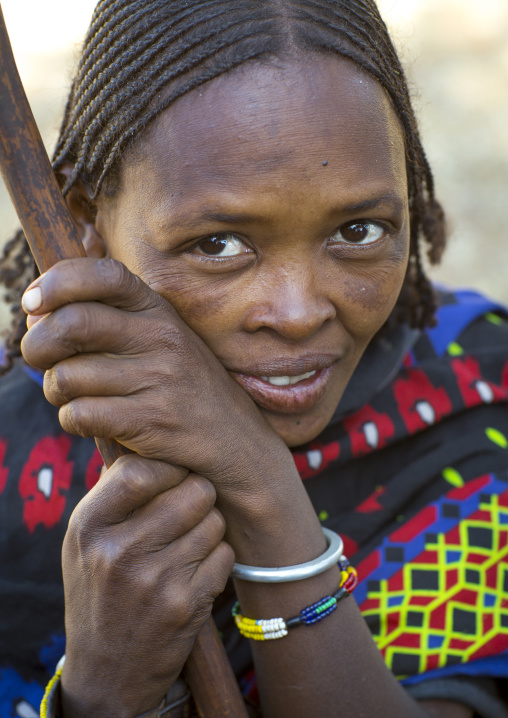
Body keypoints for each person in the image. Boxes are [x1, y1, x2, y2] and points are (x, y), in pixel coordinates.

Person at [1, 1, 508, 716]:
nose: (299, 312)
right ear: (85, 221)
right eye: (218, 245)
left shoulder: (477, 406)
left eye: (359, 230)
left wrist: (260, 488)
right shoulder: (12, 442)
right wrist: (106, 693)